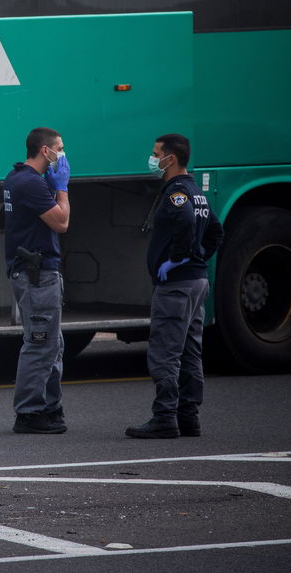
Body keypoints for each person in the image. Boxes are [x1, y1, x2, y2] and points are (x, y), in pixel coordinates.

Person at [126, 133, 224, 439]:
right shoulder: (197, 192)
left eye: (156, 154)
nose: (153, 159)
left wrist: (178, 259)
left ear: (171, 158)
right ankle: (189, 416)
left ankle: (165, 416)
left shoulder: (178, 194)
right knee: (190, 351)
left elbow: (183, 221)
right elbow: (216, 233)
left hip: (177, 286)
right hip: (197, 282)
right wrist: (198, 258)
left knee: (166, 351)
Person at [2, 126, 71, 434]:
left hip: (37, 272)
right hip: (37, 274)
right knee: (41, 343)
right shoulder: (30, 184)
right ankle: (29, 412)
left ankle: (50, 407)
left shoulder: (18, 177)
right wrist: (62, 188)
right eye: (60, 149)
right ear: (46, 151)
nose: (63, 155)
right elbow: (61, 222)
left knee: (53, 343)